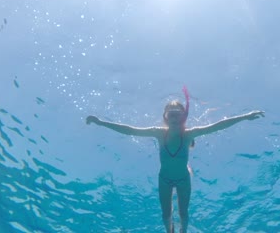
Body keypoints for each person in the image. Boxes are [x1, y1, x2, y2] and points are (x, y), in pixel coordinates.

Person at [86, 87, 264, 233]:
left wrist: (245, 117)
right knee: (166, 215)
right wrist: (101, 122)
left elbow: (217, 126)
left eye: (177, 114)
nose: (173, 117)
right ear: (165, 117)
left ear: (183, 117)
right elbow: (130, 130)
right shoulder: (158, 133)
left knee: (184, 214)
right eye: (170, 114)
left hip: (183, 179)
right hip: (164, 179)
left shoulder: (188, 135)